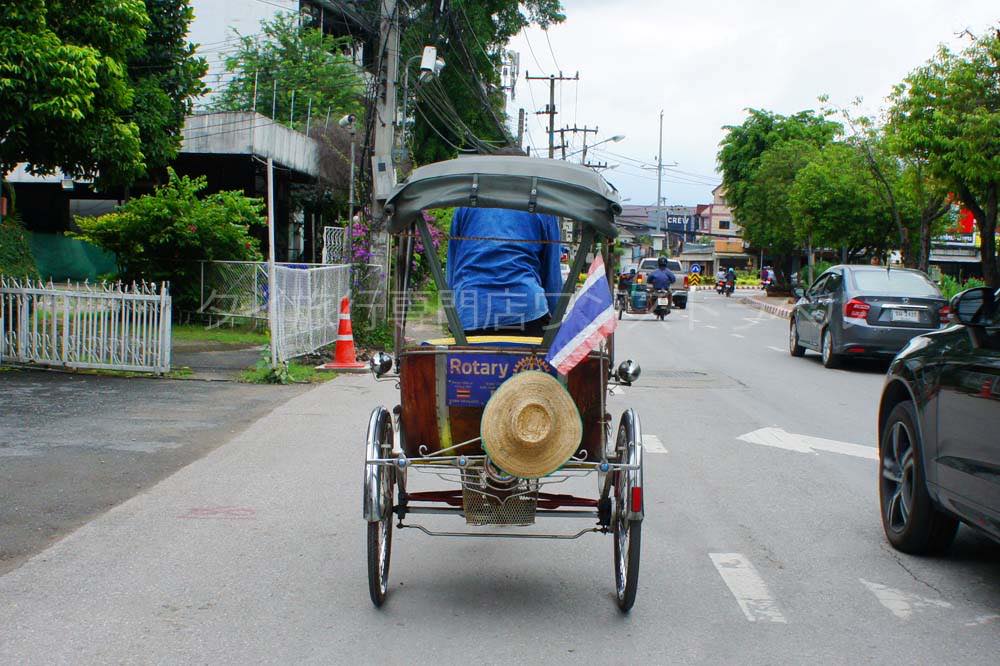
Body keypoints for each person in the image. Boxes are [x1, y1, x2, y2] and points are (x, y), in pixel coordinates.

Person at [446, 206, 562, 337]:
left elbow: (453, 266)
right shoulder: (543, 204)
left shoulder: (465, 205)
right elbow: (552, 273)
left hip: (471, 308)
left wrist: (452, 315)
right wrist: (555, 321)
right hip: (526, 307)